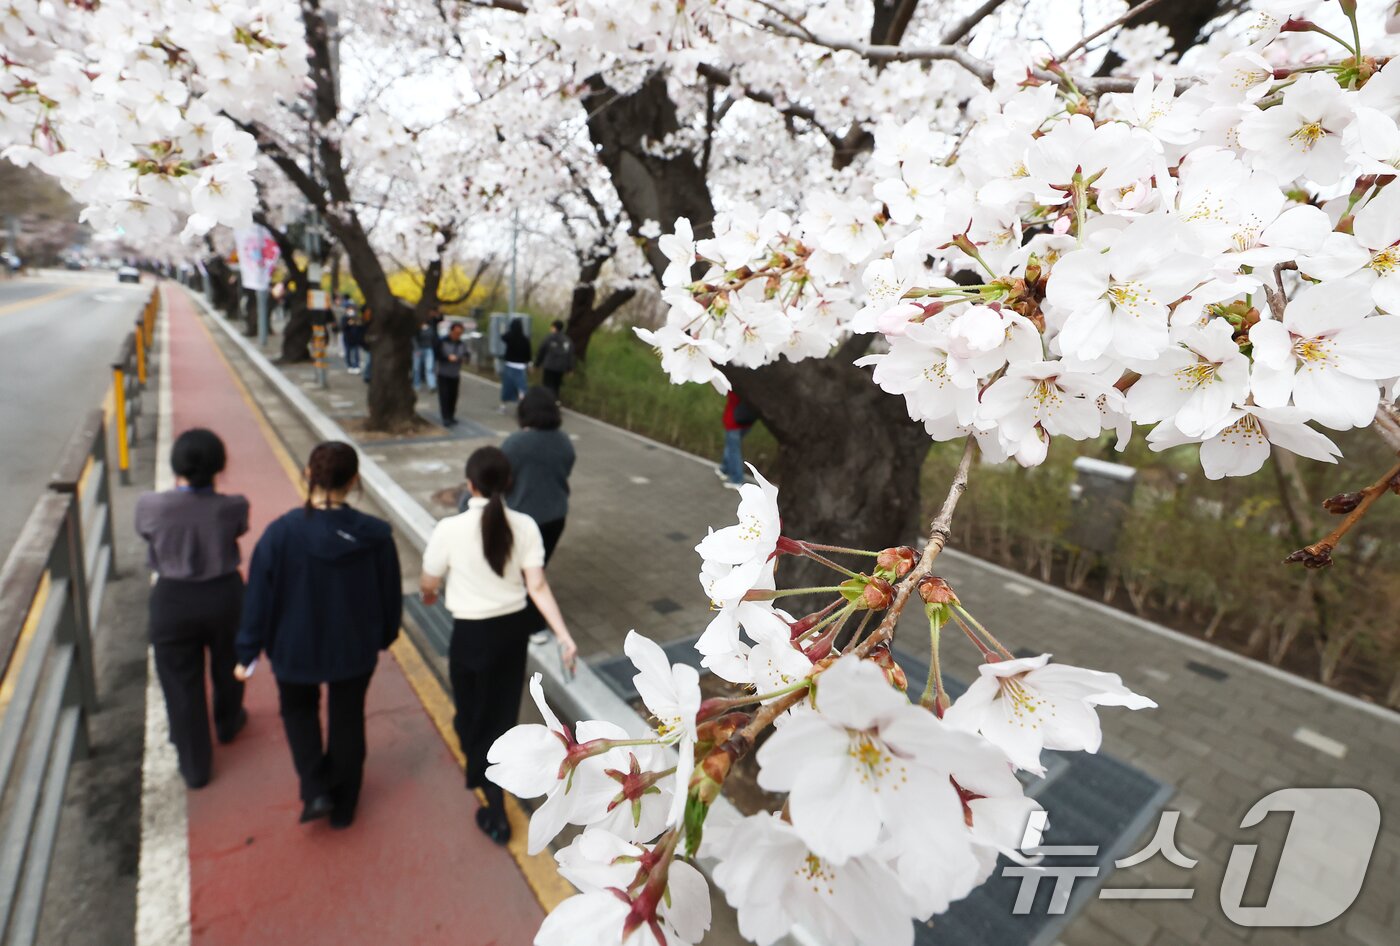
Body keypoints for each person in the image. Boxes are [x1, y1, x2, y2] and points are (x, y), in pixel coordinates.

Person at [235, 442, 402, 829]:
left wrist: (247, 651)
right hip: (354, 647)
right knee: (347, 719)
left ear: (309, 474)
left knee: (298, 712)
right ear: (355, 481)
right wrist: (384, 636)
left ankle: (315, 790)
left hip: (293, 647)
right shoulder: (376, 536)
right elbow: (389, 593)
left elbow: (257, 598)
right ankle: (345, 806)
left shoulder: (279, 535)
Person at [420, 446, 578, 845]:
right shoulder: (525, 526)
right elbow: (537, 586)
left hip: (470, 635)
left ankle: (493, 804)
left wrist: (429, 596)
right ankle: (493, 771)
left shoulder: (449, 529)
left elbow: (428, 582)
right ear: (509, 483)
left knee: (471, 709)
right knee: (501, 714)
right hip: (511, 634)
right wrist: (563, 635)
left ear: (469, 484)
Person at [134, 429, 249, 789]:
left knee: (181, 685)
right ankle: (229, 722)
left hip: (173, 600)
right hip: (224, 596)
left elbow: (147, 535)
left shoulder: (150, 506)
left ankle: (195, 765)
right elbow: (237, 530)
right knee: (229, 664)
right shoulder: (234, 506)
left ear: (176, 465)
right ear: (219, 466)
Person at [470, 387, 575, 563]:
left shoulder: (516, 443)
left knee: (517, 568)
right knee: (538, 563)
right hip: (557, 517)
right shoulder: (564, 441)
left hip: (524, 519)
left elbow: (499, 478)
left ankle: (527, 589)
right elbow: (566, 469)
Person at [719, 391, 757, 489]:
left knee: (733, 451)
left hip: (734, 422)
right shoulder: (751, 387)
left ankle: (737, 479)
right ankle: (725, 469)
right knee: (730, 447)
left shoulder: (735, 388)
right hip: (746, 422)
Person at [436, 322, 469, 427]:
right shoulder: (442, 342)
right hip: (443, 373)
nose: (457, 335)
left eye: (460, 333)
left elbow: (467, 355)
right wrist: (447, 358)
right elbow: (437, 355)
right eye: (456, 332)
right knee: (444, 396)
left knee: (453, 396)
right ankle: (445, 417)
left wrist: (463, 359)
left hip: (455, 374)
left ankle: (451, 415)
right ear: (451, 331)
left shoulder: (462, 344)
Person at [533, 320, 575, 398]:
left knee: (547, 385)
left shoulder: (549, 338)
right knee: (556, 385)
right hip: (561, 367)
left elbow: (541, 352)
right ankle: (555, 401)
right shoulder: (567, 340)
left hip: (549, 366)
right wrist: (570, 369)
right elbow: (570, 355)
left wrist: (536, 365)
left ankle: (546, 401)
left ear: (554, 327)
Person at [499, 320, 531, 412]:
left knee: (507, 387)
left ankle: (503, 406)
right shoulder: (525, 339)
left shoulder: (510, 337)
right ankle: (522, 407)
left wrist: (505, 328)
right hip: (521, 367)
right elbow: (528, 354)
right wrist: (529, 364)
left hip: (509, 365)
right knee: (521, 387)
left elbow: (502, 337)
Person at [413, 309, 442, 391]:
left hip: (428, 349)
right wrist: (416, 349)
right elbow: (414, 339)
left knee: (429, 368)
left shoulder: (430, 328)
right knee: (416, 368)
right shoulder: (417, 328)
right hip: (418, 350)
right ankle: (416, 384)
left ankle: (432, 385)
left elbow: (433, 339)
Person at [341, 300, 364, 373]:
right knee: (348, 353)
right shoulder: (344, 318)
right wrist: (348, 323)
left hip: (356, 338)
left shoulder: (357, 317)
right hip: (347, 338)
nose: (351, 309)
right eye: (349, 308)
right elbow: (342, 327)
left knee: (356, 353)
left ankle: (356, 366)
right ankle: (349, 365)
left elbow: (360, 327)